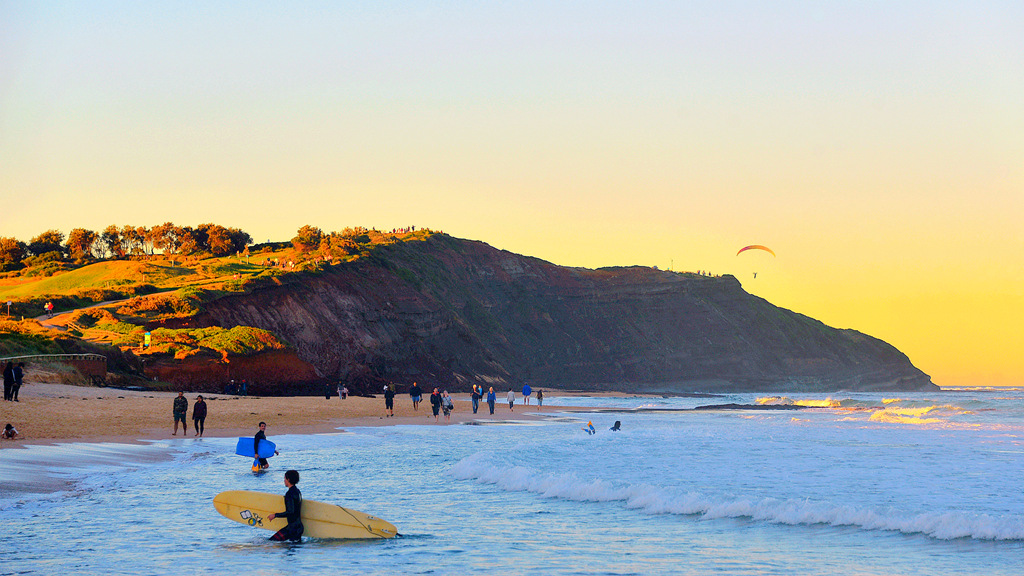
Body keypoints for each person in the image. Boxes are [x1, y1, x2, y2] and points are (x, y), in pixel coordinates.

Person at [268, 469, 304, 542]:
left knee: (271, 542)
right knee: (293, 549)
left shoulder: (289, 494)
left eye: (285, 478)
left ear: (288, 479)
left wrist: (275, 515)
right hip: (298, 527)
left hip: (292, 529)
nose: (284, 480)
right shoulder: (297, 491)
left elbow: (290, 512)